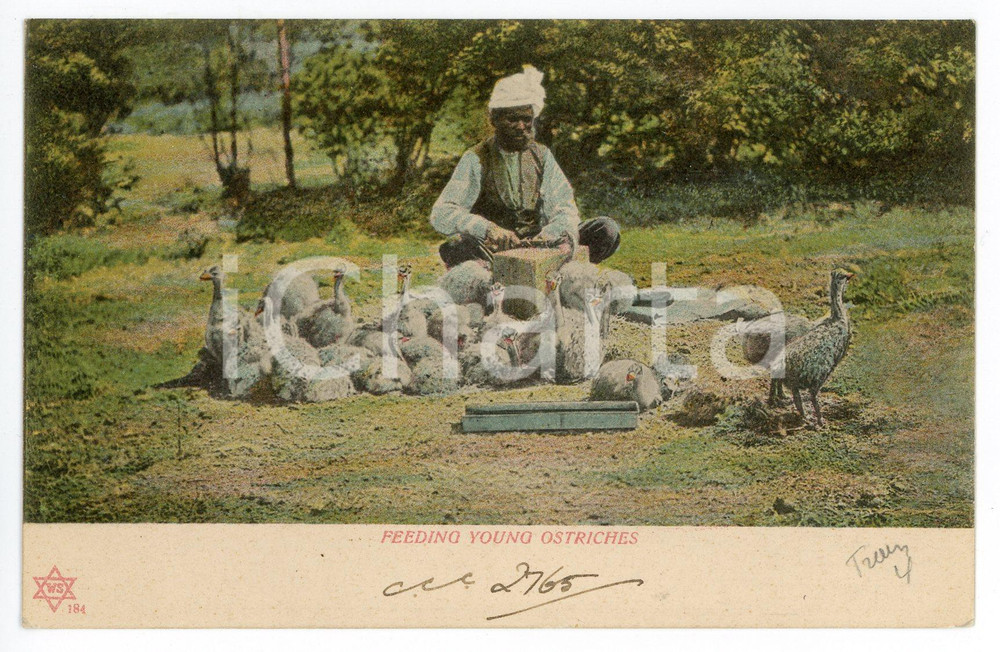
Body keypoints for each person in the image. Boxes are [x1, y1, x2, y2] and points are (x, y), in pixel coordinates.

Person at [431, 65, 620, 268]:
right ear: (494, 119)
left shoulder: (542, 156)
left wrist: (550, 233)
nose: (521, 127)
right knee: (456, 246)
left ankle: (546, 267)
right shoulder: (475, 158)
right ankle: (510, 274)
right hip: (494, 249)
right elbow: (441, 214)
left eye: (527, 120)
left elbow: (564, 207)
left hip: (542, 246)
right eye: (512, 119)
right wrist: (487, 229)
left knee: (606, 230)